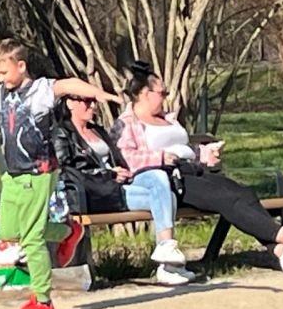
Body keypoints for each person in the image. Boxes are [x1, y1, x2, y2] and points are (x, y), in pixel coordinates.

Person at [0, 38, 123, 309]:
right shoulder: (2, 94)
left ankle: (43, 300)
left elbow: (68, 84)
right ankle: (68, 231)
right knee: (9, 232)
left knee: (32, 238)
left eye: (4, 72)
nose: (0, 78)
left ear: (21, 66)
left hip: (39, 173)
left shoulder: (41, 90)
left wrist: (100, 93)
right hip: (13, 175)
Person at [112, 62, 283, 276]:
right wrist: (160, 157)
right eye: (162, 93)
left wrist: (206, 154)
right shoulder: (128, 123)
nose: (166, 97)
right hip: (168, 181)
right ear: (145, 94)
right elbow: (125, 158)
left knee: (243, 193)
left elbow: (186, 149)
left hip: (193, 171)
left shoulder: (167, 118)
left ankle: (282, 252)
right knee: (225, 199)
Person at [52, 94, 195, 285]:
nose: (92, 106)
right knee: (164, 197)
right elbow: (66, 170)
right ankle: (169, 265)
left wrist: (124, 171)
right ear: (70, 103)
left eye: (93, 102)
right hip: (93, 194)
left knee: (161, 182)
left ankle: (166, 255)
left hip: (116, 187)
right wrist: (108, 174)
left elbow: (118, 158)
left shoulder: (97, 130)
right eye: (86, 102)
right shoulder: (62, 133)